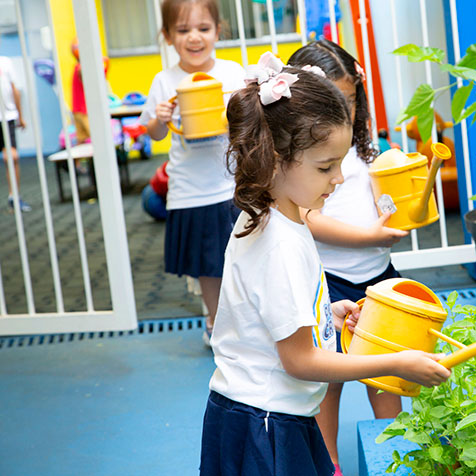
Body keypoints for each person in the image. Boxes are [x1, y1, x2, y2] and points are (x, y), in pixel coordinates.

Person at [199, 53, 450, 476]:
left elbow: (268, 314)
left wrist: (326, 315)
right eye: (325, 166)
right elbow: (301, 361)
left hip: (256, 412)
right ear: (274, 158)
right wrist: (394, 362)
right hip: (266, 423)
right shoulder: (280, 243)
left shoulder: (271, 213)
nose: (338, 178)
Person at [288, 40, 408, 475]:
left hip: (379, 278)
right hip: (333, 281)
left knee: (385, 374)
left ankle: (394, 456)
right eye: (336, 101)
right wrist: (368, 236)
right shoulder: (308, 162)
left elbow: (383, 202)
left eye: (352, 101)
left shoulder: (361, 149)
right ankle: (331, 464)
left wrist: (397, 209)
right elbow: (310, 217)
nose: (347, 111)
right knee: (330, 381)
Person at [139, 0, 245, 345]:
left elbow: (251, 122)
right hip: (191, 190)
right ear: (168, 36)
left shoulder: (230, 73)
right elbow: (154, 134)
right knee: (207, 266)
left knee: (242, 258)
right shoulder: (164, 80)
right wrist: (161, 119)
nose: (194, 38)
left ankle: (247, 321)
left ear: (218, 30)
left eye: (203, 28)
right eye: (183, 30)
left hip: (232, 185)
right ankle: (215, 321)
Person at [0, 54, 29, 212]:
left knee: (12, 157)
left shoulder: (5, 62)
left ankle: (14, 196)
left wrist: (20, 116)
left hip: (7, 118)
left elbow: (14, 89)